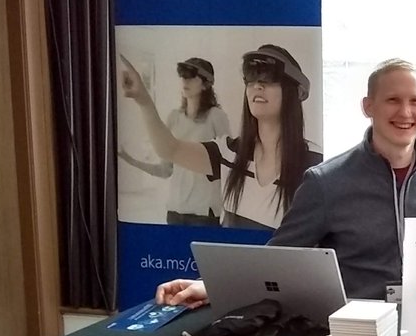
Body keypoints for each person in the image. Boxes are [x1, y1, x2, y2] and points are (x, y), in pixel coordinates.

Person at [155, 58, 416, 306]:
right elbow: (278, 259)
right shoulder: (327, 183)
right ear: (368, 107)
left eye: (415, 101)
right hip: (356, 333)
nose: (406, 112)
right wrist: (211, 285)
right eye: (392, 100)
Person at [120, 44, 323, 230]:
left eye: (268, 79)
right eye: (250, 80)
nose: (256, 87)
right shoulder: (228, 154)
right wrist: (143, 100)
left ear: (294, 91)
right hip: (230, 269)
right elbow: (170, 149)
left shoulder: (316, 165)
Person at [118, 57, 231, 226]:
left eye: (191, 75)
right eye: (183, 75)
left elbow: (228, 166)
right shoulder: (174, 118)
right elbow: (165, 170)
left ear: (206, 84)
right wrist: (131, 160)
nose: (185, 80)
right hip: (174, 213)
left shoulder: (216, 116)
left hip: (203, 215)